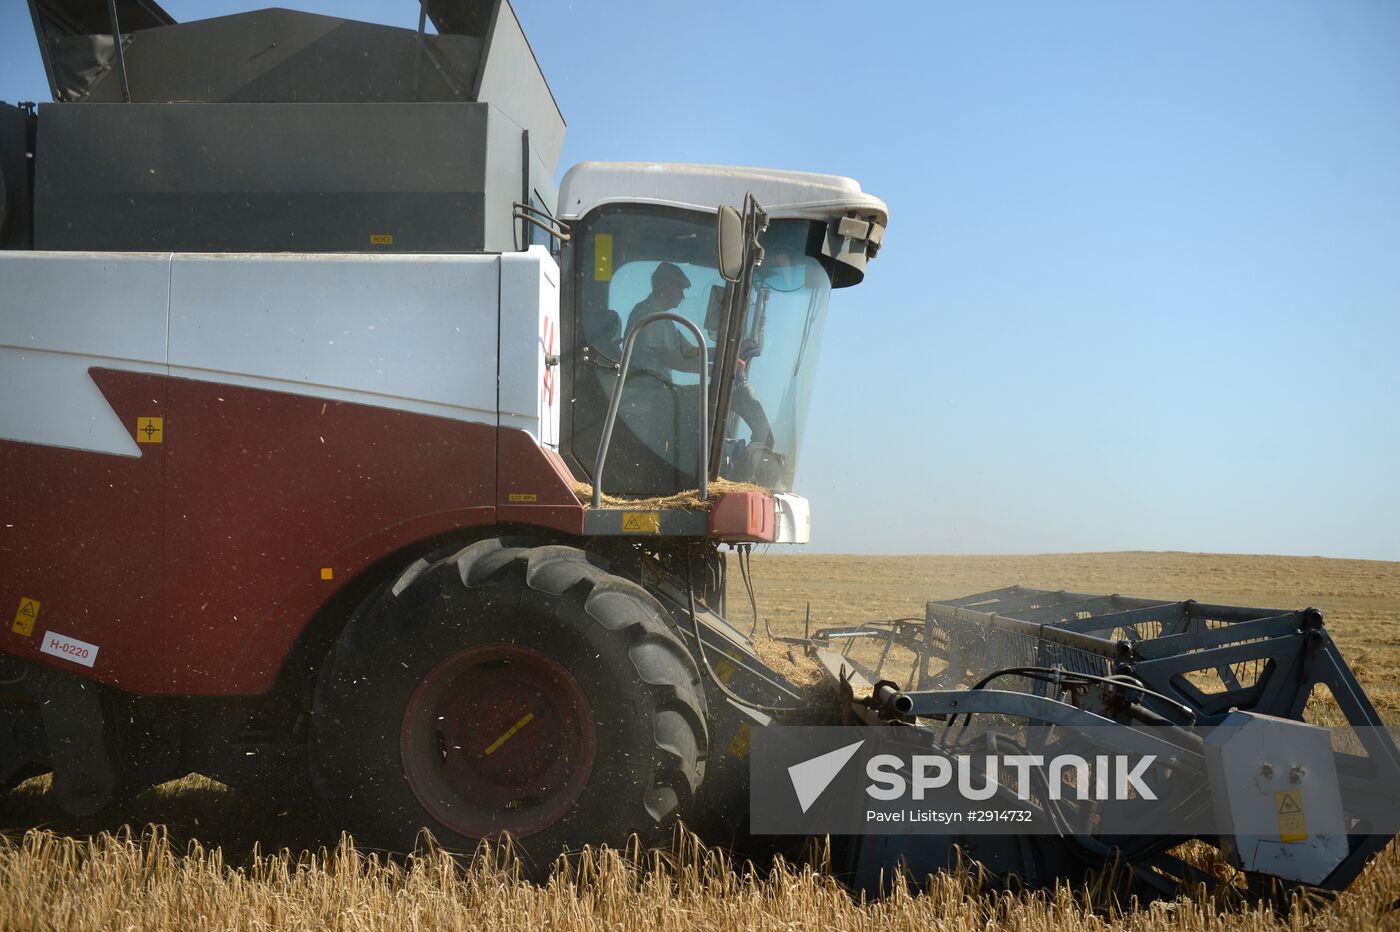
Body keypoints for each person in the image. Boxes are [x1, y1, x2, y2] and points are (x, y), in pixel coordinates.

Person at [626, 261, 701, 376]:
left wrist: (726, 356)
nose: (683, 296)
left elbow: (691, 352)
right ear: (666, 285)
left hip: (657, 386)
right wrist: (715, 372)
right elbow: (666, 358)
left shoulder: (664, 319)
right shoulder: (650, 314)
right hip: (647, 387)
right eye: (680, 288)